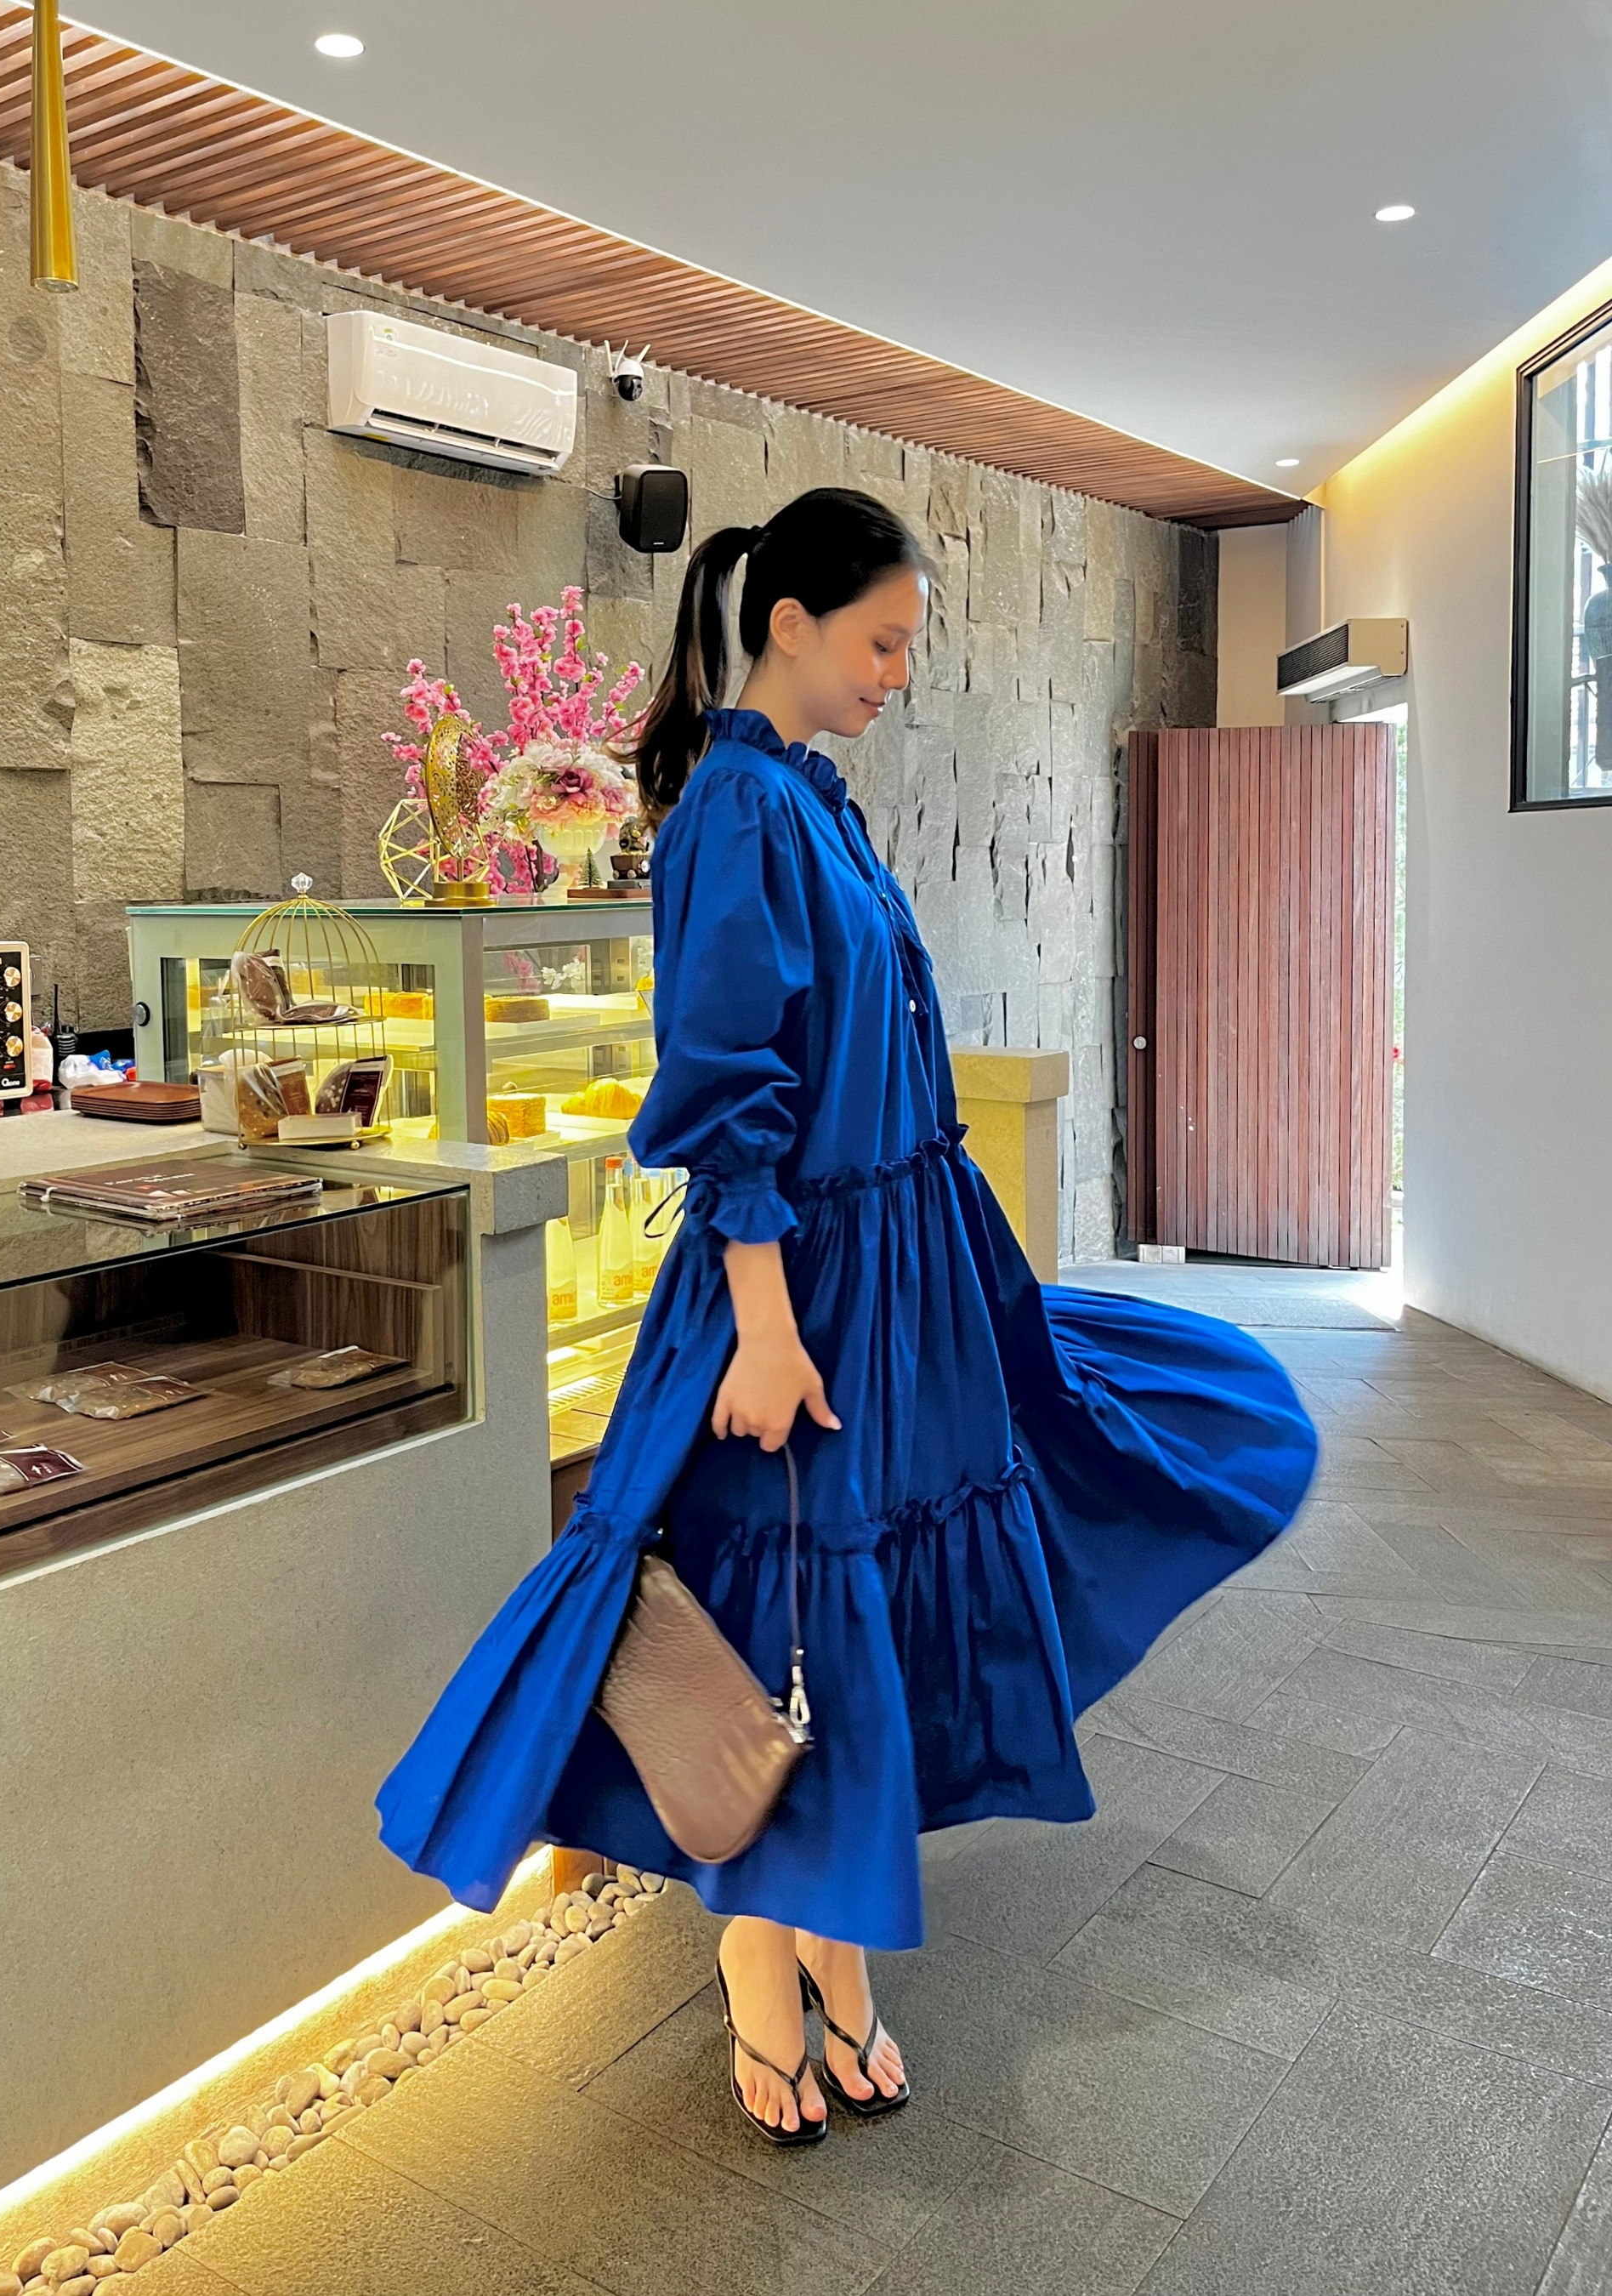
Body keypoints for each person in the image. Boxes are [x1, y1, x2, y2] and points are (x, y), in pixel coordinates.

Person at [376, 487, 1319, 2144]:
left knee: (865, 1596)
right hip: (802, 1284)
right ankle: (766, 1953)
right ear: (791, 624)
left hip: (902, 1273)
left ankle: (828, 1933)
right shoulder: (736, 808)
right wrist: (762, 1324)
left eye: (907, 649)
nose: (896, 676)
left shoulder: (809, 796)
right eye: (880, 643)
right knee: (783, 1615)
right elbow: (727, 1088)